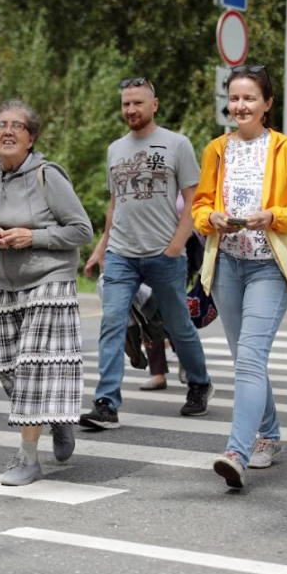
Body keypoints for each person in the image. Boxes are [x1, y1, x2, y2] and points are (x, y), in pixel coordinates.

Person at [192, 65, 287, 489]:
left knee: (249, 359)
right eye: (234, 98)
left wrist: (274, 216)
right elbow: (200, 205)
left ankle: (236, 452)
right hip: (227, 264)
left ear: (266, 105)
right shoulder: (216, 149)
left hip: (269, 266)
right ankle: (271, 435)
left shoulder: (286, 150)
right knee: (248, 360)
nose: (240, 105)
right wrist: (212, 217)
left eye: (249, 98)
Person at [81, 77, 215, 430]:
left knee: (178, 325)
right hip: (123, 254)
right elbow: (115, 205)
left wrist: (176, 245)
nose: (131, 109)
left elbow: (193, 201)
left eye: (138, 103)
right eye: (126, 103)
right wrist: (102, 249)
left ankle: (199, 383)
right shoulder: (115, 149)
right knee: (112, 324)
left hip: (164, 254)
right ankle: (106, 404)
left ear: (154, 105)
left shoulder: (177, 144)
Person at [0, 99, 94, 486]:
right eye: (0, 125)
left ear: (30, 137)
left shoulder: (48, 175)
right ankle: (56, 416)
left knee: (30, 370)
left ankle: (27, 459)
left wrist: (33, 236)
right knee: (9, 370)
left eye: (17, 126)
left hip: (50, 281)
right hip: (7, 286)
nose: (7, 131)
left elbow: (81, 230)